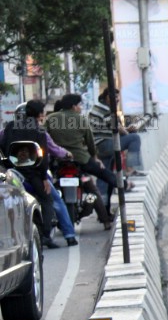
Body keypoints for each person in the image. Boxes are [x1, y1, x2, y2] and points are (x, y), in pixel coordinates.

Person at [46, 93, 119, 224]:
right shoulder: (81, 120)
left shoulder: (51, 118)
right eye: (79, 105)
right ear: (74, 106)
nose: (80, 107)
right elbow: (90, 142)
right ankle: (107, 217)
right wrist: (95, 157)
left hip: (57, 161)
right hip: (81, 160)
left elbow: (43, 137)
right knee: (101, 179)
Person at [2, 100, 59, 247]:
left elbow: (2, 146)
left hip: (12, 171)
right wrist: (44, 178)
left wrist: (8, 164)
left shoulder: (10, 127)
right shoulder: (39, 130)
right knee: (47, 200)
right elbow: (43, 155)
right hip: (33, 173)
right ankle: (46, 235)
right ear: (40, 114)